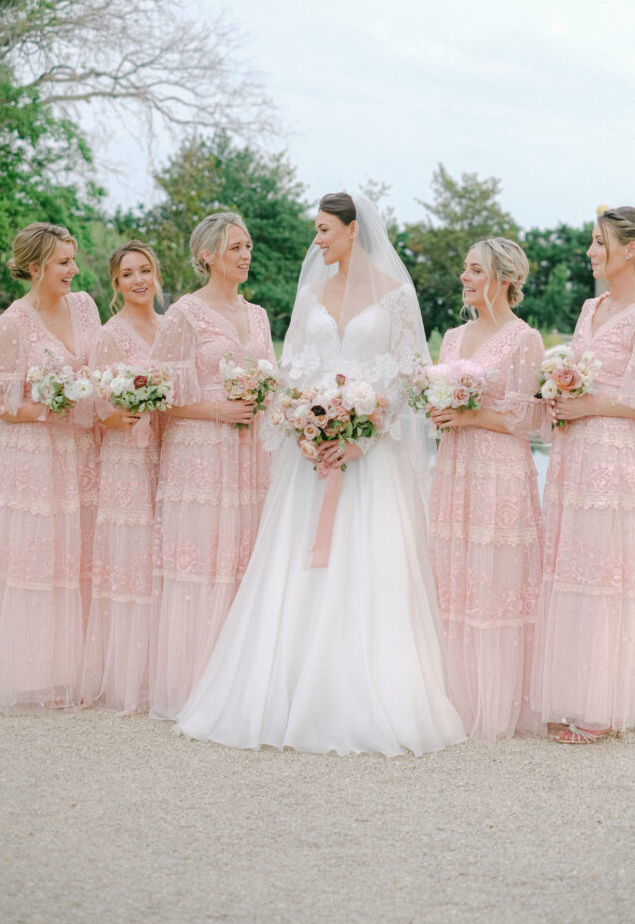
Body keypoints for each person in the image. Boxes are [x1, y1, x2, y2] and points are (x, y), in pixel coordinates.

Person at [175, 192, 465, 755]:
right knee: (293, 567)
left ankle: (362, 693)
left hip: (370, 460)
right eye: (316, 230)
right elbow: (292, 371)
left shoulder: (396, 296)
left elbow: (410, 375)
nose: (317, 240)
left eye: (325, 230)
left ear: (354, 230)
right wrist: (305, 427)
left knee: (368, 567)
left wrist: (365, 435)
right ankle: (282, 690)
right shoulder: (310, 295)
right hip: (310, 456)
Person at [532, 206, 635, 743]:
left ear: (630, 249)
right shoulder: (591, 307)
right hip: (572, 452)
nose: (590, 251)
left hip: (611, 456)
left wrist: (587, 405)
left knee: (600, 572)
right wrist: (560, 391)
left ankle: (598, 707)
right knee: (568, 566)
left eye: (598, 242)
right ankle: (567, 693)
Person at [149, 212, 275, 719]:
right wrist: (219, 408)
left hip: (251, 454)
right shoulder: (183, 315)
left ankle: (240, 686)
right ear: (206, 256)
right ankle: (193, 684)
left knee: (245, 558)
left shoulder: (261, 315)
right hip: (200, 452)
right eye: (234, 248)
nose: (245, 256)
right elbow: (161, 395)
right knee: (202, 562)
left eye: (247, 246)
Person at [428, 238, 544, 739]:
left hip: (500, 470)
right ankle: (452, 694)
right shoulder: (452, 337)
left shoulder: (525, 339)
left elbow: (528, 416)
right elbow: (439, 399)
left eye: (475, 269)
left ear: (503, 278)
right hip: (455, 466)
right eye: (465, 268)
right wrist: (437, 411)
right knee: (453, 572)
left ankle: (497, 703)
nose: (465, 277)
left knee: (495, 577)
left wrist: (472, 413)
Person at [0, 223, 101, 711]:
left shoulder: (84, 306)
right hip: (34, 453)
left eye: (73, 260)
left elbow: (99, 366)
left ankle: (76, 668)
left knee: (77, 549)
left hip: (81, 448)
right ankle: (33, 671)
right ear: (35, 267)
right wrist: (44, 408)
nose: (74, 270)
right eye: (63, 262)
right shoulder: (12, 324)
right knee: (39, 553)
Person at [82, 242, 164, 714]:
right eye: (128, 273)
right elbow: (93, 402)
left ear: (156, 274)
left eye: (145, 270)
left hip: (165, 448)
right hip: (126, 455)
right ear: (115, 283)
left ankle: (161, 668)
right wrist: (120, 415)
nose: (138, 280)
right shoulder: (110, 335)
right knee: (132, 555)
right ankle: (128, 676)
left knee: (160, 551)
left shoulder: (172, 326)